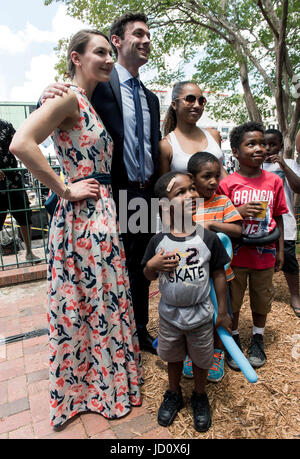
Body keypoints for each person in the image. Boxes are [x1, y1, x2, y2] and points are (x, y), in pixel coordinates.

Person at [10, 29, 143, 428]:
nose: (107, 58)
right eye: (99, 52)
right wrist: (64, 189)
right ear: (76, 57)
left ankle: (103, 386)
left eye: (110, 52)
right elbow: (21, 143)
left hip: (100, 214)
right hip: (82, 216)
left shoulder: (87, 98)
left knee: (97, 302)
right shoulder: (67, 95)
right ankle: (87, 392)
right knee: (84, 303)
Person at [40, 12, 161, 354]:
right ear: (118, 41)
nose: (146, 39)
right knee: (108, 269)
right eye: (138, 33)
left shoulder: (151, 98)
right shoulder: (97, 85)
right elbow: (62, 116)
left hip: (145, 193)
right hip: (109, 193)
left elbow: (155, 147)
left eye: (149, 34)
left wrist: (164, 200)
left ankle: (138, 331)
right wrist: (46, 94)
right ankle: (103, 344)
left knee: (139, 266)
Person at [142, 171, 232, 432]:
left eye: (192, 188)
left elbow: (218, 274)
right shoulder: (158, 241)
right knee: (173, 357)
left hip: (201, 315)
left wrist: (223, 311)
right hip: (170, 316)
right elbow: (147, 275)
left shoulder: (207, 238)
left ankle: (199, 395)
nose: (191, 194)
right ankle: (173, 392)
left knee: (203, 358)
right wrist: (152, 264)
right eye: (180, 192)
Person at [218, 121, 289, 369]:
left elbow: (278, 216)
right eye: (251, 144)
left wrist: (280, 250)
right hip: (235, 256)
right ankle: (234, 339)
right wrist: (238, 210)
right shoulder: (227, 184)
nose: (259, 148)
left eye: (261, 143)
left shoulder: (274, 182)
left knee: (262, 299)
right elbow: (217, 218)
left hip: (265, 253)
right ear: (236, 152)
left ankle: (257, 337)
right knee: (233, 302)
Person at [183, 151, 242, 382]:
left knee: (221, 316)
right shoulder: (185, 204)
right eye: (207, 176)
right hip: (192, 277)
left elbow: (238, 231)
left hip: (220, 277)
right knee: (194, 318)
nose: (214, 182)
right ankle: (193, 353)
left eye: (217, 176)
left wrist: (213, 224)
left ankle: (217, 352)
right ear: (191, 178)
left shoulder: (222, 201)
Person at [263, 129, 300, 317]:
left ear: (281, 146)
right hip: (263, 222)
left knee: (289, 259)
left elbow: (298, 187)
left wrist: (284, 165)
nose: (268, 148)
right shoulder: (255, 165)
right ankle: (262, 295)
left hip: (285, 221)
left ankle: (295, 295)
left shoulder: (291, 163)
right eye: (265, 144)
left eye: (273, 144)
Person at [158, 81, 226, 177]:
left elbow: (221, 172)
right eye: (190, 99)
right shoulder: (166, 146)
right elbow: (165, 187)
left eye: (201, 101)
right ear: (174, 104)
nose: (197, 105)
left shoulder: (214, 135)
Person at [0, 119, 40, 262]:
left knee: (24, 215)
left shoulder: (5, 125)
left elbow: (19, 143)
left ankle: (29, 252)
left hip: (14, 180)